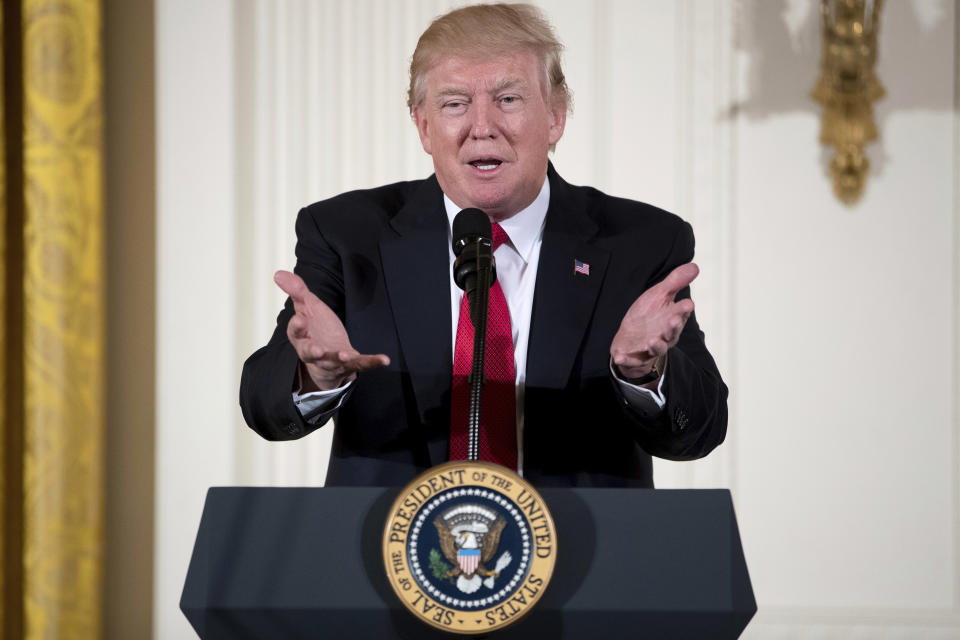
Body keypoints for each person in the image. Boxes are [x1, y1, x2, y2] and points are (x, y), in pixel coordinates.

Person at [240, 3, 727, 487]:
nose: (482, 126)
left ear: (555, 117)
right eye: (454, 104)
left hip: (580, 551)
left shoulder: (640, 242)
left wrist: (645, 375)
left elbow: (700, 430)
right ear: (424, 127)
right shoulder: (348, 235)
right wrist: (315, 377)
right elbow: (263, 406)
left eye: (508, 99)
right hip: (389, 549)